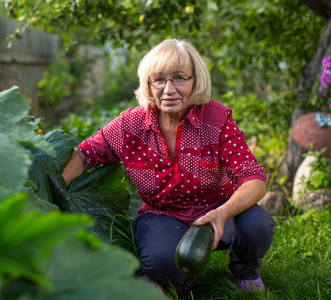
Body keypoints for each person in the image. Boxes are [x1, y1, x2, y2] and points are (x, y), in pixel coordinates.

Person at [62, 38, 275, 294]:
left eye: (180, 78)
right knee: (162, 263)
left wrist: (223, 213)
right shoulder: (130, 125)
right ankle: (180, 282)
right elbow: (85, 155)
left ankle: (245, 271)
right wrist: (53, 190)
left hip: (219, 206)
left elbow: (253, 178)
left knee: (257, 227)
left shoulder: (216, 119)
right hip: (164, 213)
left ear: (195, 80)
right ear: (148, 85)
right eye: (159, 79)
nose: (169, 89)